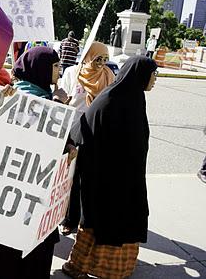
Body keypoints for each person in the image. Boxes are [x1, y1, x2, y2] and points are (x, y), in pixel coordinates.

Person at [62, 56, 158, 279]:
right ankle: (82, 267)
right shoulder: (111, 99)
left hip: (124, 179)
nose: (155, 80)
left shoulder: (132, 97)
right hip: (105, 180)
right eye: (153, 74)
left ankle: (110, 269)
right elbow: (81, 130)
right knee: (103, 221)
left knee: (120, 220)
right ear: (140, 75)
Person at [0, 46, 77, 279]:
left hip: (40, 198)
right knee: (13, 262)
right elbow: (33, 140)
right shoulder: (16, 97)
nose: (60, 71)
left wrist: (68, 146)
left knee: (37, 258)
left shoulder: (46, 96)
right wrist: (57, 106)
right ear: (40, 68)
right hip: (15, 199)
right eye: (56, 66)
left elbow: (56, 142)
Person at [59, 42, 115, 235]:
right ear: (89, 56)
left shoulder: (108, 76)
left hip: (95, 132)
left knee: (88, 178)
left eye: (105, 59)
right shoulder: (72, 73)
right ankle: (68, 219)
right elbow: (63, 99)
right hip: (73, 131)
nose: (101, 63)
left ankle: (84, 220)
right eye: (97, 58)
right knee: (69, 177)